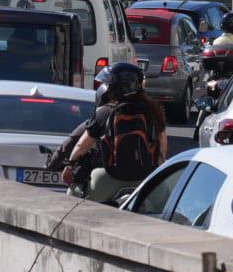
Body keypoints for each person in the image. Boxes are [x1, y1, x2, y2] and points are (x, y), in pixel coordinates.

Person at [61, 63, 167, 204]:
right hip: (145, 179)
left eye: (109, 84)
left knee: (73, 195)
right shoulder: (153, 112)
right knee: (163, 208)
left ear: (116, 87)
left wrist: (69, 165)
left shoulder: (104, 112)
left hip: (108, 178)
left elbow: (82, 146)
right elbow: (162, 149)